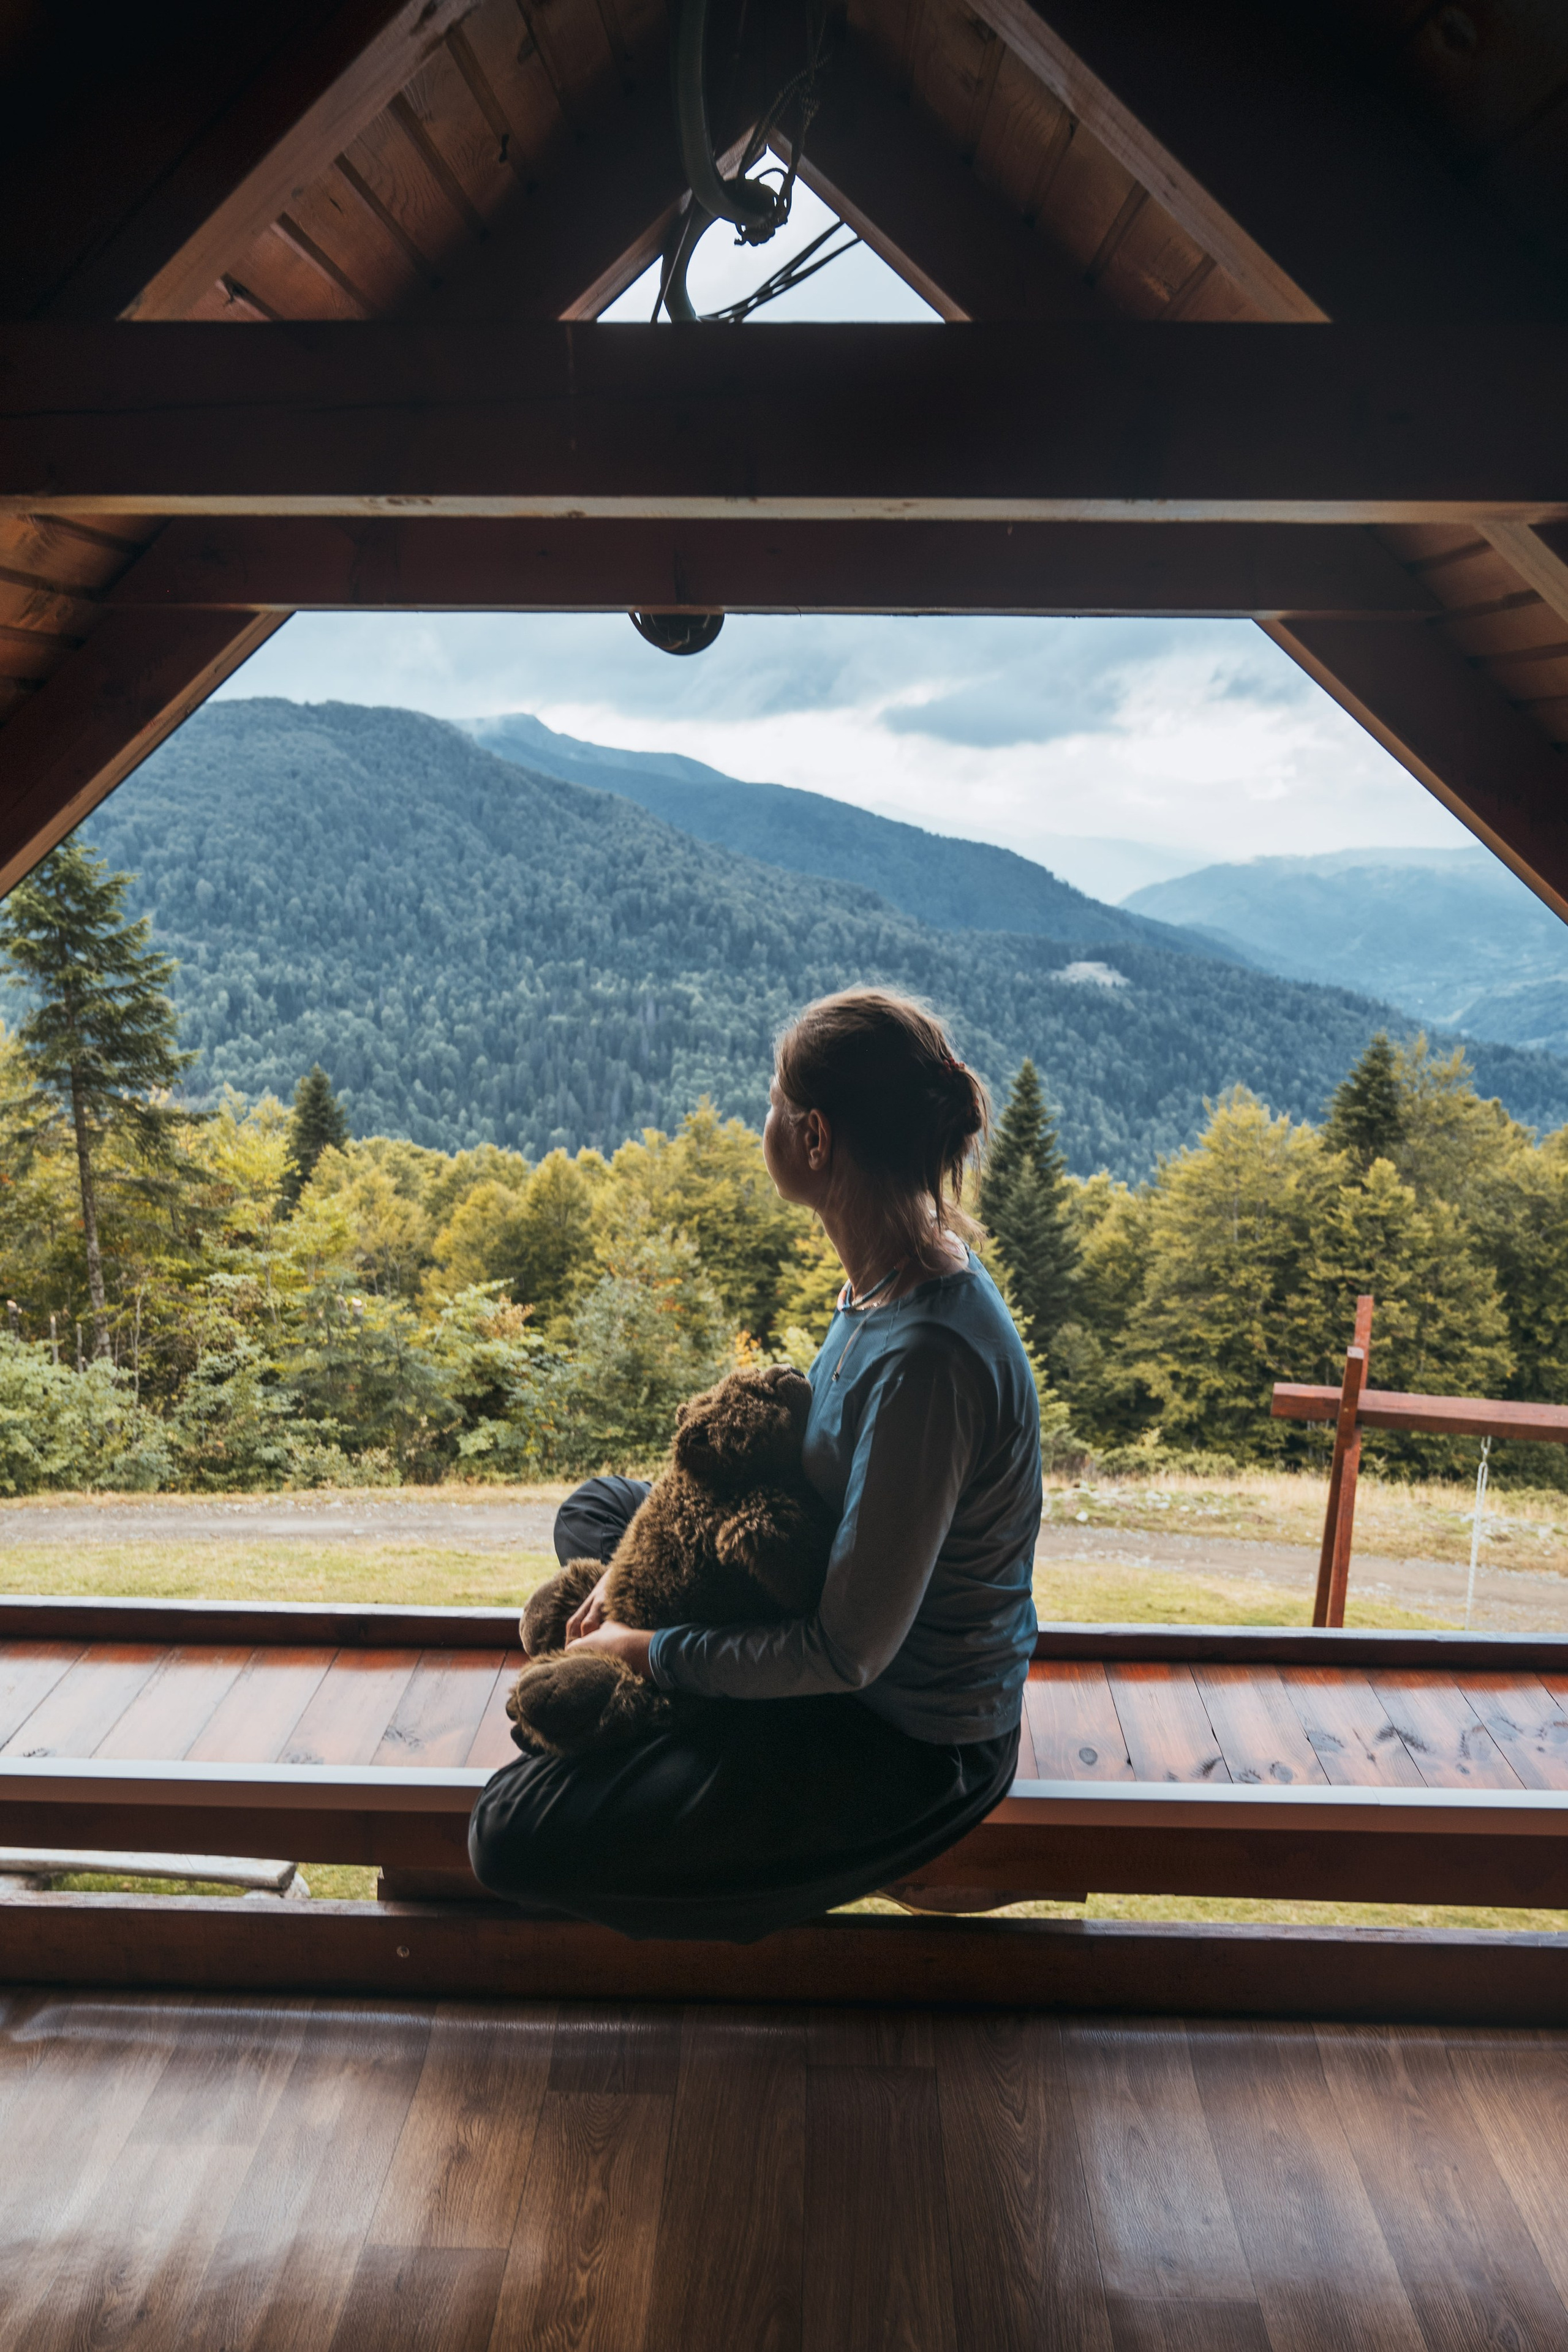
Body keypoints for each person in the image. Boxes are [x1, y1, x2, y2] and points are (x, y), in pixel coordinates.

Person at [468, 988, 1042, 1940]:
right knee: (599, 1512)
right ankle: (672, 1678)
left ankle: (675, 1707)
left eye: (773, 1103)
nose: (762, 1119)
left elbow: (845, 1654)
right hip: (821, 1595)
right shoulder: (890, 1271)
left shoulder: (929, 1362)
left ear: (815, 1139)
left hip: (907, 1735)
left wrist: (644, 1648)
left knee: (507, 1832)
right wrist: (630, 1570)